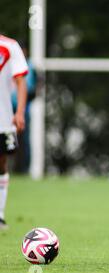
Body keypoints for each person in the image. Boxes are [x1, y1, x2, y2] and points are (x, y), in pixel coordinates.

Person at [0, 34, 28, 230]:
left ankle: (0, 214)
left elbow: (20, 80)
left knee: (1, 164)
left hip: (3, 118)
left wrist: (19, 112)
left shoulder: (10, 46)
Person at [11, 42, 37, 174]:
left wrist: (22, 107)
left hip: (24, 110)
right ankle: (10, 169)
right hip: (8, 110)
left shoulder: (31, 66)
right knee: (9, 140)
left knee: (24, 141)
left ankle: (24, 169)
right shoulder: (9, 64)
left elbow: (35, 89)